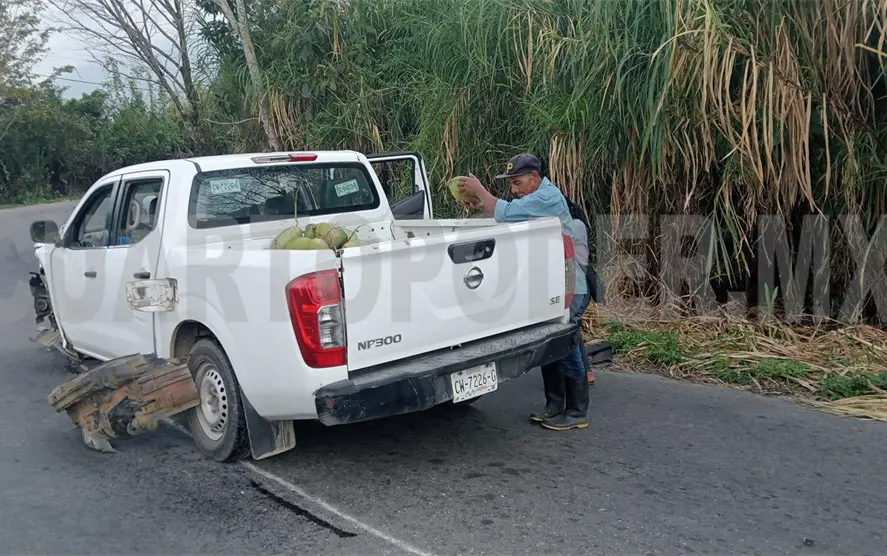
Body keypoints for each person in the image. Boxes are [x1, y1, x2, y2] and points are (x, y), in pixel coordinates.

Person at [456, 153, 591, 431]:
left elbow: (505, 211)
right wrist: (480, 202)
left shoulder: (547, 197)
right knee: (552, 344)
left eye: (517, 183)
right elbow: (507, 215)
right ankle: (554, 406)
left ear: (534, 177)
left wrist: (480, 190)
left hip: (570, 286)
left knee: (566, 347)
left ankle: (577, 412)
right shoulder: (535, 199)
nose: (514, 189)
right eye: (511, 184)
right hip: (553, 285)